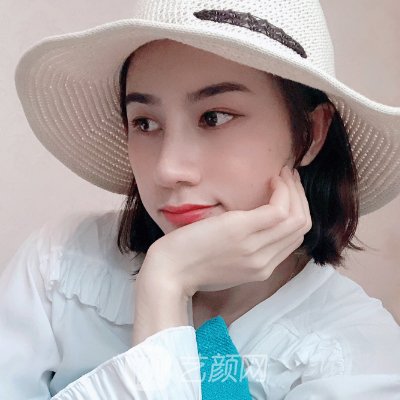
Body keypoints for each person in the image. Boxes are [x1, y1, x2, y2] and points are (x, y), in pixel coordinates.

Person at [1, 0, 400, 398]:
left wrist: (166, 284)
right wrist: (165, 283)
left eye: (215, 117)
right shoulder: (61, 267)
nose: (168, 169)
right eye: (145, 122)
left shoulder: (355, 359)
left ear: (310, 134)